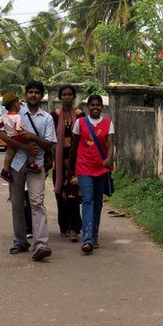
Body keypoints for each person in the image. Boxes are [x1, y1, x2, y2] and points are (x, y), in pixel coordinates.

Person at [0, 81, 56, 261]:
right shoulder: (15, 112)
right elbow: (2, 134)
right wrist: (24, 148)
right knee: (17, 204)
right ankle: (20, 241)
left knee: (37, 203)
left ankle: (40, 245)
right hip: (16, 164)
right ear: (25, 95)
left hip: (36, 165)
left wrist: (32, 138)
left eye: (37, 92)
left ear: (41, 96)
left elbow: (49, 145)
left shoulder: (46, 118)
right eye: (30, 92)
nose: (33, 95)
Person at [68, 94, 114, 254]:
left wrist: (109, 158)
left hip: (101, 167)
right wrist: (70, 169)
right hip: (84, 167)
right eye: (92, 105)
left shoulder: (108, 124)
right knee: (87, 200)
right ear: (88, 107)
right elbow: (74, 147)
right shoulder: (80, 123)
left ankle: (94, 235)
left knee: (98, 202)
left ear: (102, 107)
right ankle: (87, 239)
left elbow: (110, 144)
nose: (95, 107)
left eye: (98, 105)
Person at [51, 85, 85, 242]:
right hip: (58, 163)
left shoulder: (80, 115)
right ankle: (63, 227)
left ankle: (73, 228)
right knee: (61, 195)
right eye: (64, 94)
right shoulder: (54, 116)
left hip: (76, 162)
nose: (66, 97)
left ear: (73, 97)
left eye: (69, 94)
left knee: (72, 194)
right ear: (60, 97)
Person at [0, 92, 41, 183]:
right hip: (17, 136)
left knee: (10, 154)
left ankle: (5, 170)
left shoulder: (4, 116)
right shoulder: (17, 116)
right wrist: (25, 133)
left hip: (10, 137)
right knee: (33, 146)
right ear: (16, 105)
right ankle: (31, 163)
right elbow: (18, 129)